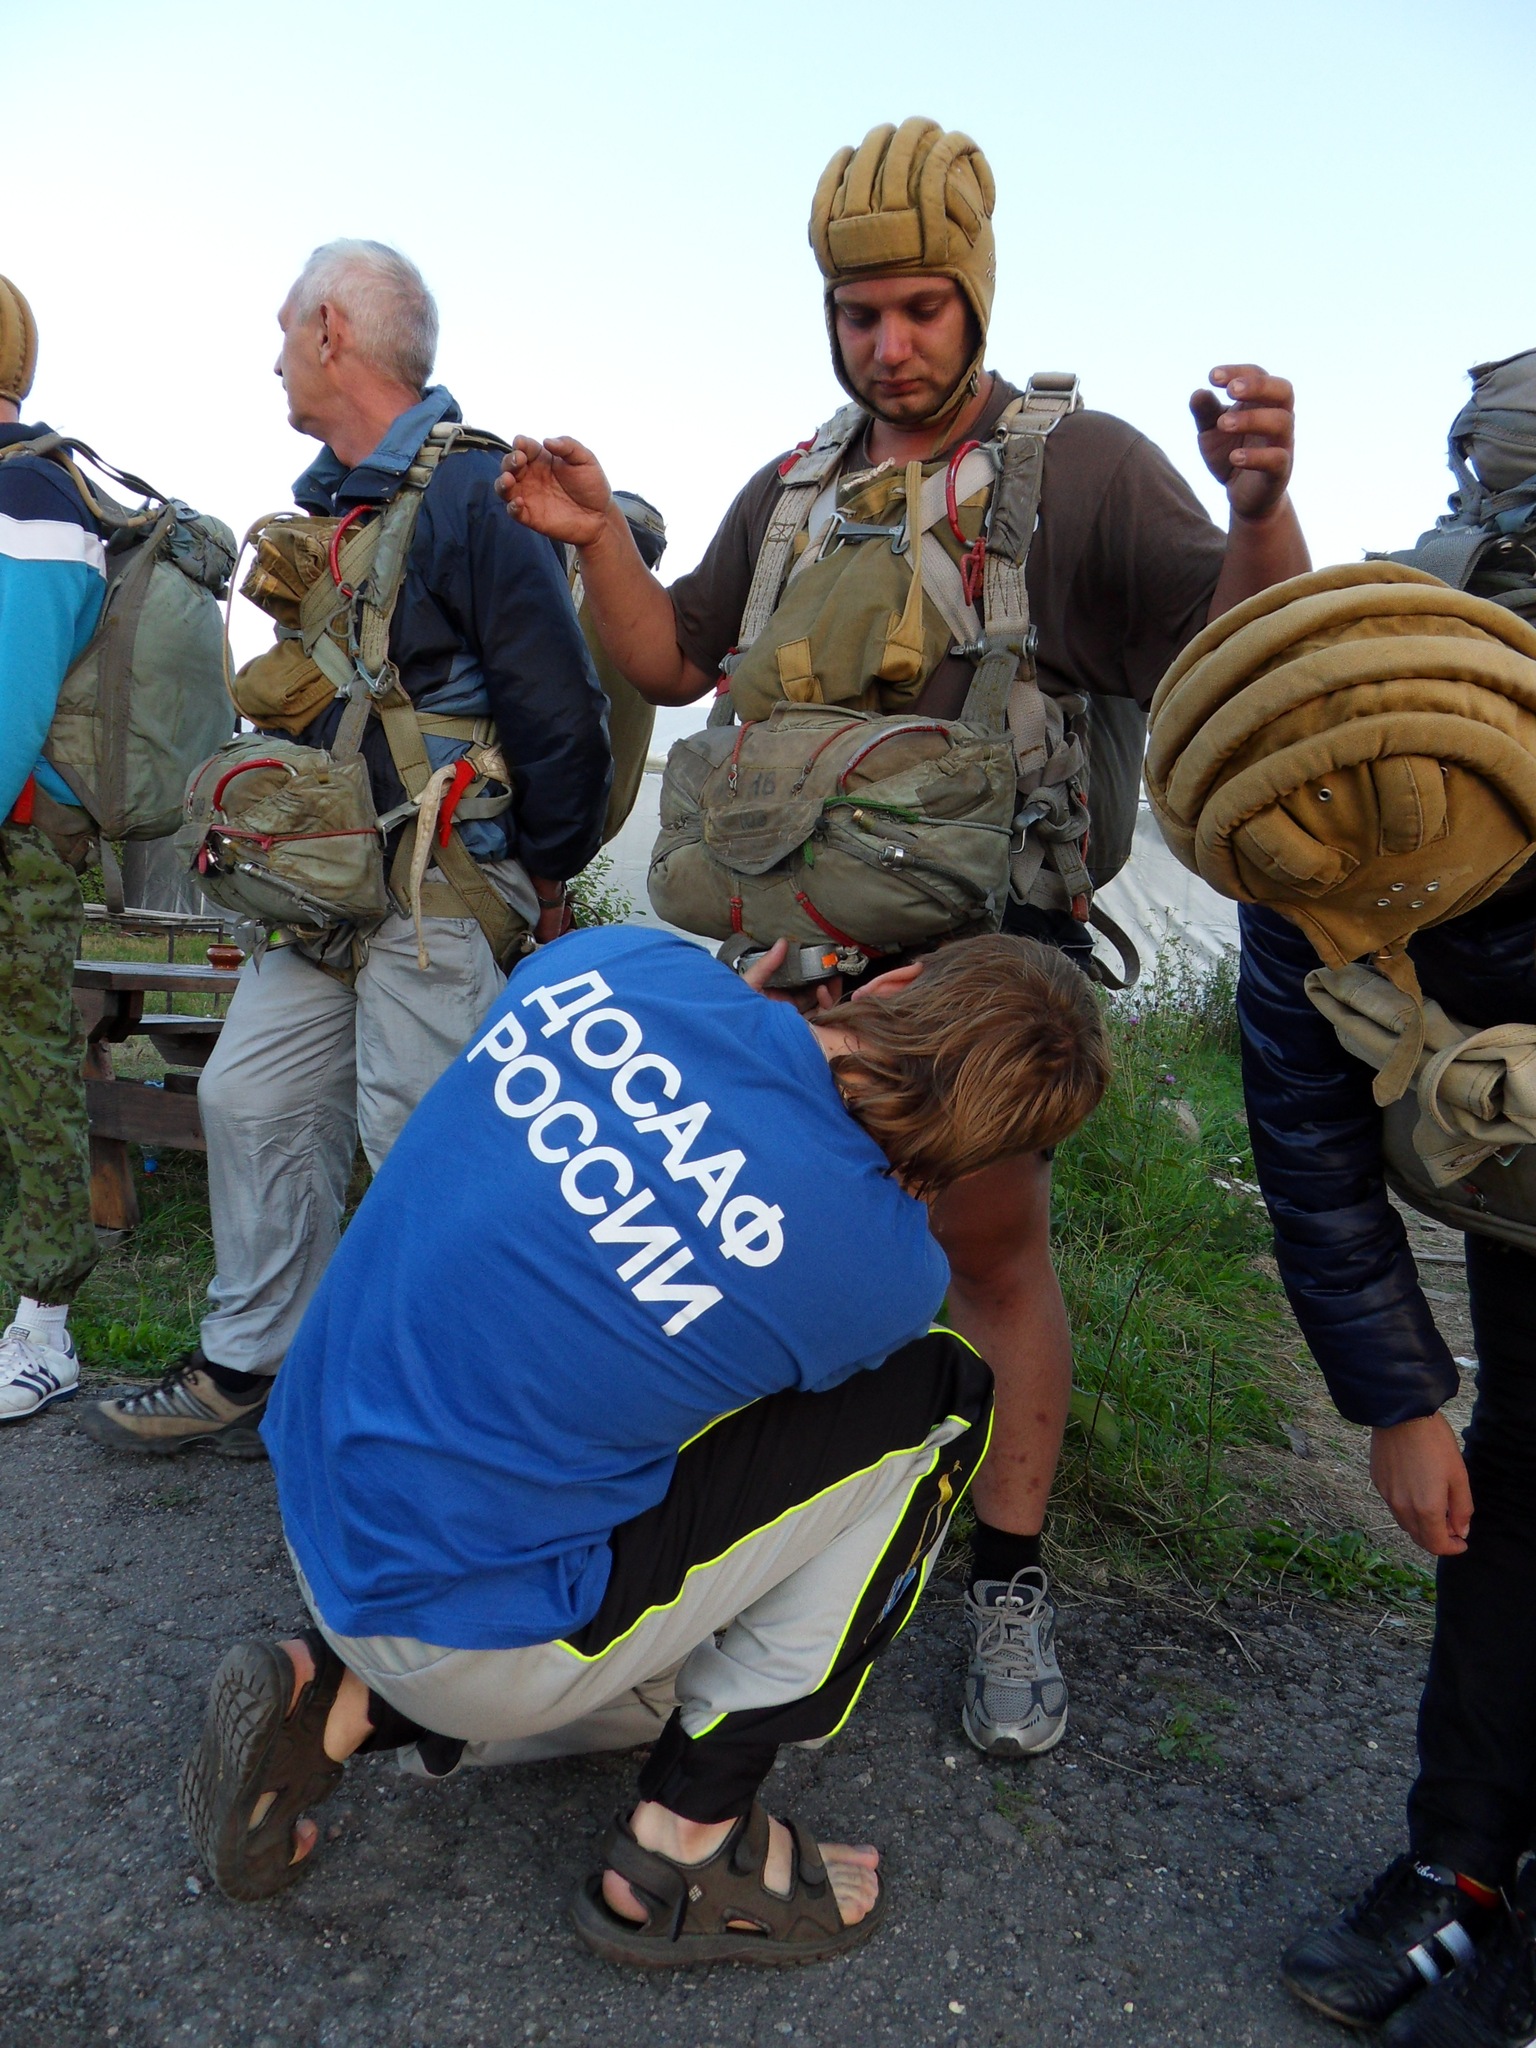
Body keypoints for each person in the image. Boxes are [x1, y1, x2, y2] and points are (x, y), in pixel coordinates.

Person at [495, 116, 1310, 1758]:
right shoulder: (795, 487)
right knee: (753, 1256)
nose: (890, 344)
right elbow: (670, 662)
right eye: (860, 313)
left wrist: (1260, 507)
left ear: (976, 300)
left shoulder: (1079, 470)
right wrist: (597, 542)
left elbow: (1242, 643)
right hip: (777, 972)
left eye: (922, 308)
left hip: (977, 977)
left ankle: (1006, 1581)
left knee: (991, 1260)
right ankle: (765, 1553)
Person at [178, 922, 1108, 1961]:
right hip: (459, 1631)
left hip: (318, 1481)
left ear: (893, 980)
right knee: (937, 1398)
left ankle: (341, 1702)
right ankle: (688, 1841)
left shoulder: (616, 963)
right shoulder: (885, 1270)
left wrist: (736, 1024)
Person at [78, 240, 612, 1460]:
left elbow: (562, 710)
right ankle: (253, 1363)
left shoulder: (477, 495)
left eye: (285, 332)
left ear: (331, 330)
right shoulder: (341, 508)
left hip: (439, 891)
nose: (275, 360)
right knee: (246, 1093)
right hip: (324, 893)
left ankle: (456, 1422)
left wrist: (538, 878)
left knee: (421, 1141)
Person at [0, 274, 110, 1423]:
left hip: (21, 839)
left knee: (31, 1073)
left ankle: (46, 1326)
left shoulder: (28, 493)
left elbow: (11, 701)